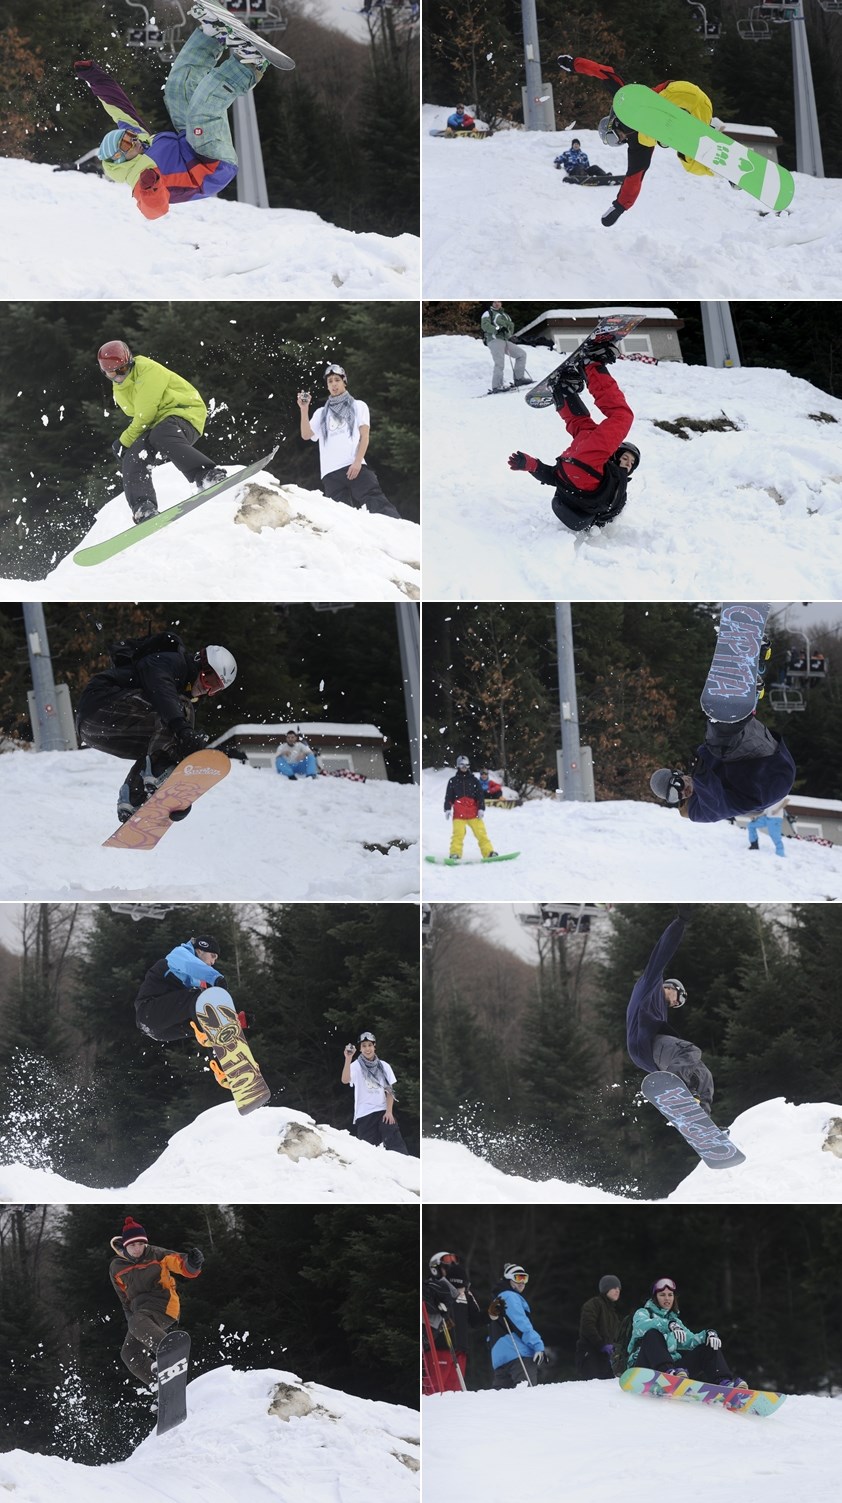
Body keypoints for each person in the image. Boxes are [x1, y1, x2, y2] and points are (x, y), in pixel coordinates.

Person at [75, 16, 269, 222]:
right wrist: (151, 187)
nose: (134, 139)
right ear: (119, 158)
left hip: (192, 144)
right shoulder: (140, 177)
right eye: (126, 143)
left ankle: (212, 34)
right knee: (200, 112)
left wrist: (93, 76)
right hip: (212, 166)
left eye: (128, 134)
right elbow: (153, 210)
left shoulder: (139, 141)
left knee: (176, 89)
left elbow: (116, 105)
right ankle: (250, 64)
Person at [74, 630, 238, 823]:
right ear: (200, 665)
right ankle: (159, 772)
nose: (207, 688)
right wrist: (182, 729)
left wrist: (175, 801)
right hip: (103, 704)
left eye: (216, 688)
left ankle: (133, 798)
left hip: (95, 731)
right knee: (179, 715)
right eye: (209, 680)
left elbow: (170, 732)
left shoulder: (183, 697)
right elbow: (161, 688)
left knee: (167, 740)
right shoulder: (171, 662)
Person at [557, 54, 715, 226]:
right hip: (702, 108)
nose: (620, 141)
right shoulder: (637, 145)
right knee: (690, 163)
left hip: (677, 94)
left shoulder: (623, 103)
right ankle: (722, 168)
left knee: (648, 134)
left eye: (613, 138)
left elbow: (604, 73)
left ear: (611, 124)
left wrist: (574, 64)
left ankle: (671, 121)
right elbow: (634, 178)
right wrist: (619, 207)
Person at [508, 341, 640, 531]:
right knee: (584, 429)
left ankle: (592, 362)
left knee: (622, 415)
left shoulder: (619, 483)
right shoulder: (610, 479)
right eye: (627, 458)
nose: (627, 463)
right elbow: (557, 477)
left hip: (584, 471)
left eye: (630, 463)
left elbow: (611, 512)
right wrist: (530, 464)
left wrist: (531, 465)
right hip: (572, 470)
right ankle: (563, 391)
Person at [97, 341, 225, 525]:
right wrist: (128, 446)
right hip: (158, 425)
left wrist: (123, 441)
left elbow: (144, 414)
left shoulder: (147, 370)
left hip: (184, 414)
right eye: (111, 373)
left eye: (122, 369)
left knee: (159, 435)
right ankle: (143, 507)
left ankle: (204, 474)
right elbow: (143, 416)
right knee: (133, 456)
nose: (118, 376)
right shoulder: (120, 387)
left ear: (130, 362)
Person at [625, 910, 715, 1114]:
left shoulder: (661, 1012)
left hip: (649, 1059)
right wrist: (680, 923)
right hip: (644, 1044)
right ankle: (674, 1091)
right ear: (671, 987)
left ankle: (700, 1118)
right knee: (689, 1051)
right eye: (678, 999)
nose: (676, 1004)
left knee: (703, 1074)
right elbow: (662, 952)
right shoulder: (650, 985)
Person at [649, 712, 796, 825]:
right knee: (719, 743)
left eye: (677, 786)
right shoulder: (696, 810)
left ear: (679, 774)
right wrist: (701, 775)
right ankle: (733, 709)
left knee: (717, 739)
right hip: (766, 786)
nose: (683, 792)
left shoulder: (701, 758)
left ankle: (740, 705)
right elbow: (715, 804)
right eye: (676, 796)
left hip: (770, 760)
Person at [108, 1216, 204, 1387]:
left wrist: (192, 1264)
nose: (137, 1249)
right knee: (129, 1353)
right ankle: (160, 1387)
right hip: (141, 1315)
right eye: (132, 1245)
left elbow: (178, 1263)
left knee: (137, 1321)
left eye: (140, 1244)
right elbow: (123, 1297)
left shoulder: (156, 1254)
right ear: (125, 1245)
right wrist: (131, 1320)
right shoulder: (117, 1267)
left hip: (163, 1306)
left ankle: (170, 1352)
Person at [298, 365, 401, 519]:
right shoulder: (321, 413)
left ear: (344, 382)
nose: (333, 384)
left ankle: (399, 532)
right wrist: (304, 409)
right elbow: (306, 435)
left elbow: (364, 436)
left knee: (376, 502)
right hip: (330, 472)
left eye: (337, 380)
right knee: (343, 518)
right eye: (330, 381)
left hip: (353, 465)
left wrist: (358, 461)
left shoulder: (358, 406)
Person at [622, 1276, 747, 1388]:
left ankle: (724, 1383)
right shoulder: (643, 1312)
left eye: (670, 1295)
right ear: (655, 1297)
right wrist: (668, 1325)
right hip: (644, 1368)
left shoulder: (675, 1321)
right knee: (652, 1333)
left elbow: (692, 1340)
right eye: (662, 1295)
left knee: (707, 1347)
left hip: (675, 1370)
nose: (667, 1298)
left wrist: (708, 1334)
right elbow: (641, 1327)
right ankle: (668, 1374)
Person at [423, 1251, 486, 1393]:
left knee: (454, 1391)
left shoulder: (464, 1293)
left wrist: (490, 1314)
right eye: (447, 1268)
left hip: (459, 1348)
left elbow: (475, 1320)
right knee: (435, 1389)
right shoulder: (430, 1287)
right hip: (439, 1346)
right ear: (436, 1269)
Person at [341, 1031, 410, 1153]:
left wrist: (389, 1112)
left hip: (383, 1111)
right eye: (364, 1046)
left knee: (394, 1141)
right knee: (367, 1151)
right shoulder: (356, 1066)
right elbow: (345, 1080)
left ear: (374, 1046)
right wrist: (348, 1059)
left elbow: (389, 1091)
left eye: (370, 1045)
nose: (367, 1049)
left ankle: (403, 1166)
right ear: (360, 1048)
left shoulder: (384, 1066)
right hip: (365, 1113)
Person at [488, 1263, 545, 1388]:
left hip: (500, 1359)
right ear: (509, 1279)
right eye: (518, 1278)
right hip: (518, 1355)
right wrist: (537, 1345)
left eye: (525, 1278)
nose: (522, 1282)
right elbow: (521, 1323)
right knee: (526, 1398)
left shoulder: (497, 1299)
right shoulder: (510, 1296)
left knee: (504, 1403)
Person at [443, 755, 497, 861]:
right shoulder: (453, 781)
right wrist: (447, 808)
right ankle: (455, 854)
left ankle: (488, 852)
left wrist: (481, 808)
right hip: (459, 814)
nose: (464, 767)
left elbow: (480, 796)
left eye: (466, 765)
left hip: (473, 813)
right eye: (462, 765)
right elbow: (449, 796)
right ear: (458, 766)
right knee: (458, 834)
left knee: (481, 833)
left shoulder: (474, 780)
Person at [577, 1275, 622, 1380]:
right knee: (593, 1387)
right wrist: (601, 1344)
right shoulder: (594, 1304)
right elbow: (588, 1326)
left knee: (606, 1388)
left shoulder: (612, 1313)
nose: (617, 1291)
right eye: (614, 1288)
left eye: (619, 1288)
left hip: (605, 1356)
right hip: (590, 1353)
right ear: (606, 1289)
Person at [480, 302, 530, 394]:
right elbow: (485, 326)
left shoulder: (506, 315)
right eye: (494, 302)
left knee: (521, 354)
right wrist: (497, 329)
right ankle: (497, 386)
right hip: (494, 340)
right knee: (499, 363)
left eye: (498, 302)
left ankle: (519, 379)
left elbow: (510, 327)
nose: (496, 304)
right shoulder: (488, 313)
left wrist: (511, 336)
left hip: (505, 340)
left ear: (501, 303)